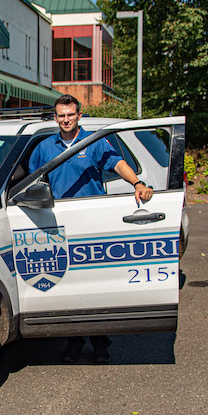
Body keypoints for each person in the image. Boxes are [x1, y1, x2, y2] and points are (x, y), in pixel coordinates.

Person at [28, 94, 154, 363]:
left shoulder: (93, 142)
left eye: (70, 115)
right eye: (61, 115)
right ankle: (73, 343)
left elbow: (117, 163)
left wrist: (137, 183)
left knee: (96, 288)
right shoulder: (45, 146)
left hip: (92, 221)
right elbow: (32, 179)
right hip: (58, 223)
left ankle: (100, 345)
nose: (65, 120)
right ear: (55, 117)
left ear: (79, 115)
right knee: (69, 287)